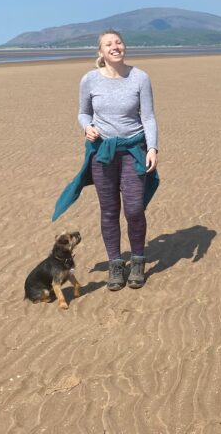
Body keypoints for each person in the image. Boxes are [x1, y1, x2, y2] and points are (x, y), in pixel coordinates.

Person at [77, 29, 159, 291]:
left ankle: (137, 260)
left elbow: (148, 117)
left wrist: (153, 147)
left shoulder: (139, 77)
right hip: (103, 153)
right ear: (100, 52)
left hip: (134, 149)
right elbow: (82, 113)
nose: (115, 47)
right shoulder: (89, 80)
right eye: (108, 44)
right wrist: (87, 126)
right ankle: (115, 264)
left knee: (134, 209)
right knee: (109, 210)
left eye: (119, 42)